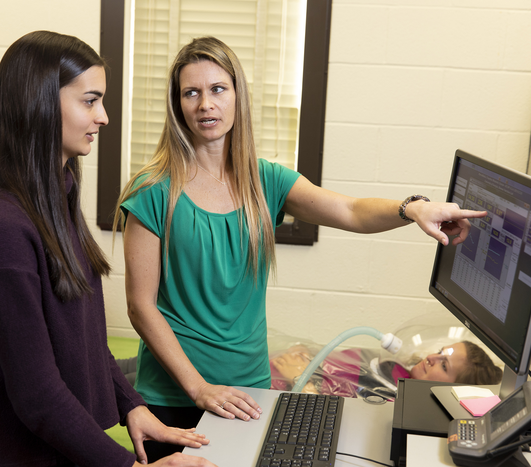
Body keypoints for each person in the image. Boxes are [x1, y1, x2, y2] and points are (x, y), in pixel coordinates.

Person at [114, 36, 488, 461]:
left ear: (237, 96)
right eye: (191, 92)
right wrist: (198, 388)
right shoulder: (152, 191)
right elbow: (140, 307)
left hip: (248, 390)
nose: (205, 104)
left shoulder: (265, 181)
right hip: (174, 394)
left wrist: (413, 208)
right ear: (177, 104)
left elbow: (351, 211)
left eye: (218, 89)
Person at [0, 31, 216, 467]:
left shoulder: (53, 197)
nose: (103, 117)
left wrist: (132, 407)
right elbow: (38, 394)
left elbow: (82, 338)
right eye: (90, 101)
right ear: (40, 103)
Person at [270, 341, 503, 400]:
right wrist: (308, 353)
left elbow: (321, 421)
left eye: (444, 365)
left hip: (262, 394)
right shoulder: (395, 369)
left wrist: (300, 376)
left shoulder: (393, 400)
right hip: (270, 370)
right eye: (440, 351)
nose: (431, 357)